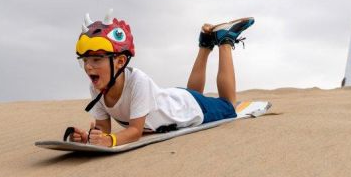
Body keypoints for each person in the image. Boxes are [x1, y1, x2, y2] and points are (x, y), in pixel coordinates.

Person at [69, 13, 253, 147]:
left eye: (96, 59)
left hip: (191, 110)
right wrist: (91, 137)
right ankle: (205, 43)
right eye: (84, 60)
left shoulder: (137, 82)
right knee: (195, 95)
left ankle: (225, 41)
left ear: (120, 61)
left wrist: (109, 141)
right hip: (178, 99)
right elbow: (103, 128)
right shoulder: (96, 88)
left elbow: (135, 131)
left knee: (229, 106)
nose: (88, 66)